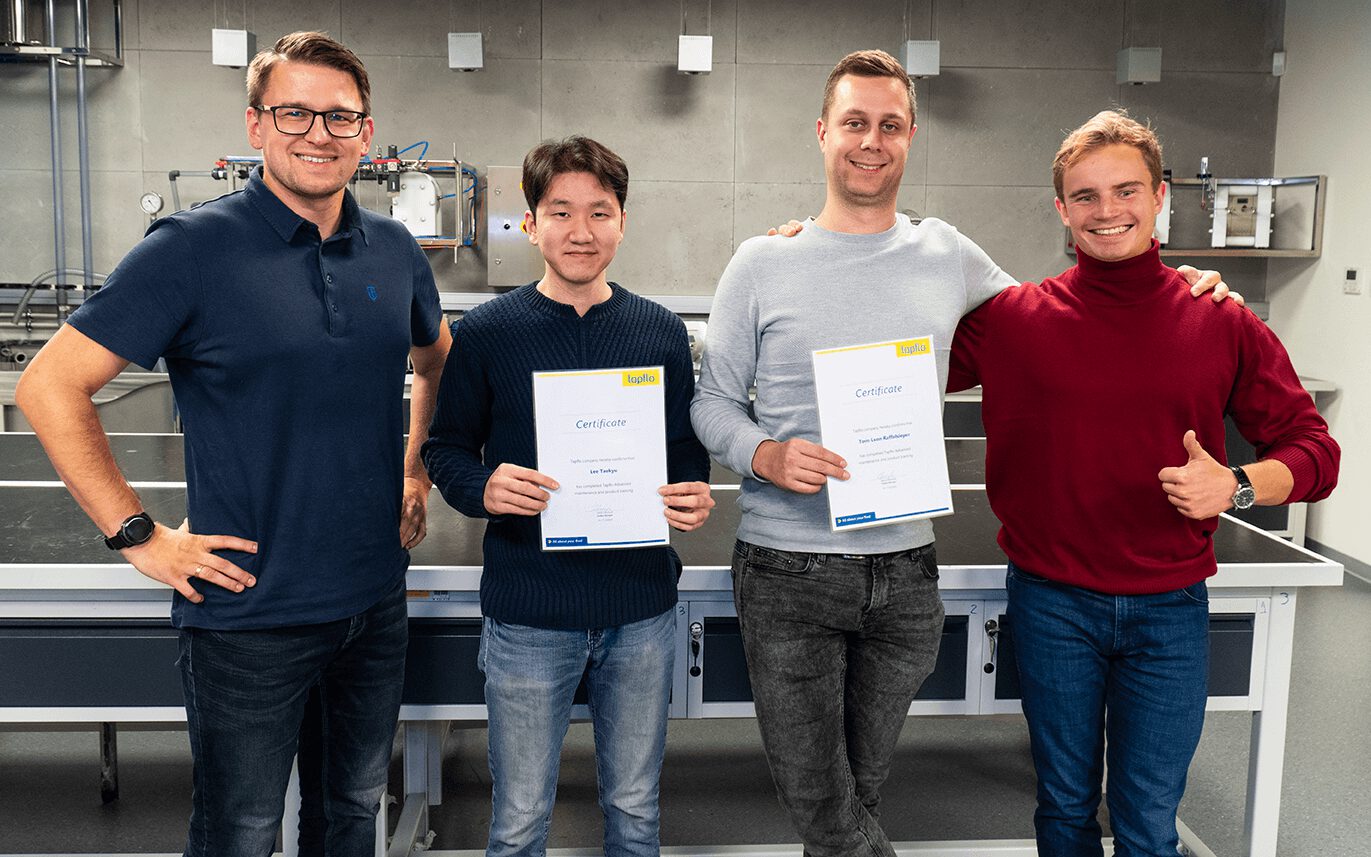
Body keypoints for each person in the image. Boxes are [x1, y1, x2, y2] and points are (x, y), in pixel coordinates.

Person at [691, 49, 1230, 857]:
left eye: (889, 125)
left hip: (904, 572)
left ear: (910, 136)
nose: (870, 141)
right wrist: (762, 453)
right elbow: (711, 402)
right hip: (786, 568)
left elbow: (1062, 319)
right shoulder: (762, 261)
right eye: (853, 122)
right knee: (824, 804)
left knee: (859, 790)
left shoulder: (946, 252)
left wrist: (1174, 285)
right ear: (822, 132)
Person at [16, 31, 451, 857]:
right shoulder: (191, 248)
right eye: (294, 113)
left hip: (372, 600)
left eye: (339, 116)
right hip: (249, 614)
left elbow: (436, 360)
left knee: (351, 813)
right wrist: (138, 535)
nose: (318, 133)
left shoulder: (394, 250)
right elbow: (49, 385)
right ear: (255, 124)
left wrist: (415, 469)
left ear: (366, 132)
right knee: (240, 831)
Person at [946, 109, 1339, 857]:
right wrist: (811, 249)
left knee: (1149, 825)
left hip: (1169, 609)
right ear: (1062, 209)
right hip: (1051, 603)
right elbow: (886, 354)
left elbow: (1315, 451)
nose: (1107, 211)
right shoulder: (1012, 320)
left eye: (1125, 190)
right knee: (1064, 808)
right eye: (1085, 195)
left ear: (1159, 197)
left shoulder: (1218, 319)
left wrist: (1236, 484)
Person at [421, 135, 713, 857]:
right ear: (531, 224)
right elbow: (445, 448)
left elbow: (683, 449)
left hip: (639, 610)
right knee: (520, 818)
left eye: (599, 212)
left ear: (623, 222)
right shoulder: (486, 334)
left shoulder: (660, 332)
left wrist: (692, 493)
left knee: (635, 808)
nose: (581, 231)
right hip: (529, 611)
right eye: (560, 212)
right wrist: (483, 486)